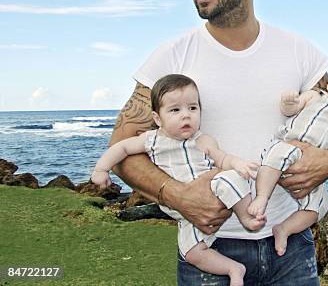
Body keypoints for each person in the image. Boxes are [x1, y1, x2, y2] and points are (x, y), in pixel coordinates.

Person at [109, 0, 328, 285]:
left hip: (291, 245)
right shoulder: (170, 58)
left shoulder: (300, 52)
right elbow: (122, 147)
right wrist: (179, 196)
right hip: (209, 248)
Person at [91, 74, 264, 285]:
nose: (186, 116)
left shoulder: (202, 140)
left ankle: (246, 216)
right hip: (183, 212)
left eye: (193, 108)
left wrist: (238, 164)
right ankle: (233, 269)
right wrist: (102, 169)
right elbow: (122, 147)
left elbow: (222, 158)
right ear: (157, 118)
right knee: (191, 253)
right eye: (175, 110)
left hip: (211, 192)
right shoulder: (151, 140)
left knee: (227, 178)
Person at [248, 67, 328, 256]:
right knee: (277, 154)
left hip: (311, 171)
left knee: (316, 208)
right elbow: (290, 110)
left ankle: (284, 229)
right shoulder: (316, 96)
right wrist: (289, 102)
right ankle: (262, 196)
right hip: (288, 148)